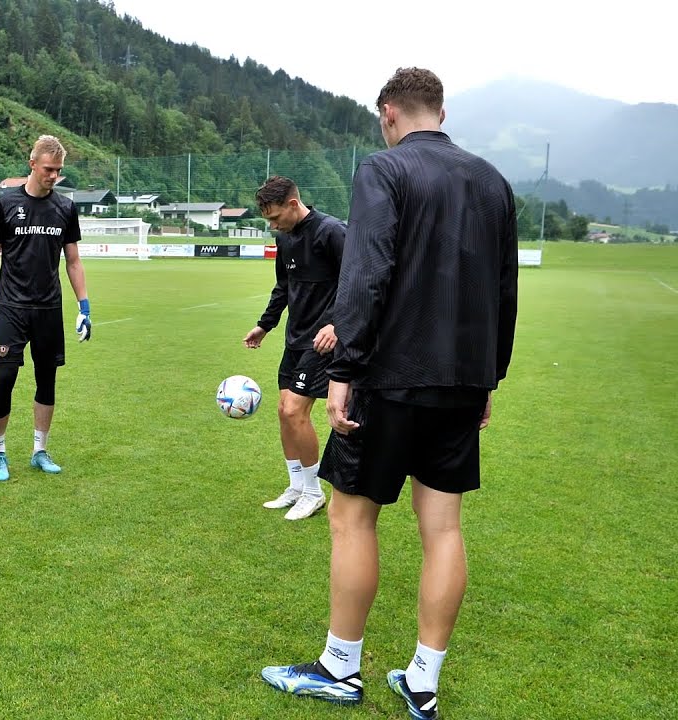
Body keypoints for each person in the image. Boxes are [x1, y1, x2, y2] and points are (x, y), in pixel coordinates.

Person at [261, 68, 518, 720]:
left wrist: (344, 370)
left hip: (390, 379)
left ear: (388, 113)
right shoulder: (494, 181)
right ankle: (423, 681)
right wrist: (491, 378)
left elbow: (367, 272)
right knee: (444, 528)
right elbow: (504, 290)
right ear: (441, 109)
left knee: (352, 518)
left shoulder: (385, 169)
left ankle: (340, 669)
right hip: (463, 380)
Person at [0, 134, 90, 482]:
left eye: (58, 171)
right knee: (5, 377)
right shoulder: (5, 204)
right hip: (11, 306)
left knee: (47, 380)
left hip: (48, 308)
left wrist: (84, 306)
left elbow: (72, 260)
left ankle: (40, 451)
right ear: (32, 165)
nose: (53, 176)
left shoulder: (65, 208)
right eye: (48, 169)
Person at [243, 175, 346, 521]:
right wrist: (264, 325)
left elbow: (357, 281)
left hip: (322, 341)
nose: (273, 225)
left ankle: (314, 492)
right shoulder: (285, 240)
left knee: (293, 411)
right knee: (283, 413)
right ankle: (296, 487)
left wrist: (335, 324)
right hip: (295, 338)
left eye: (275, 218)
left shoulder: (332, 232)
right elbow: (282, 288)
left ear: (292, 204)